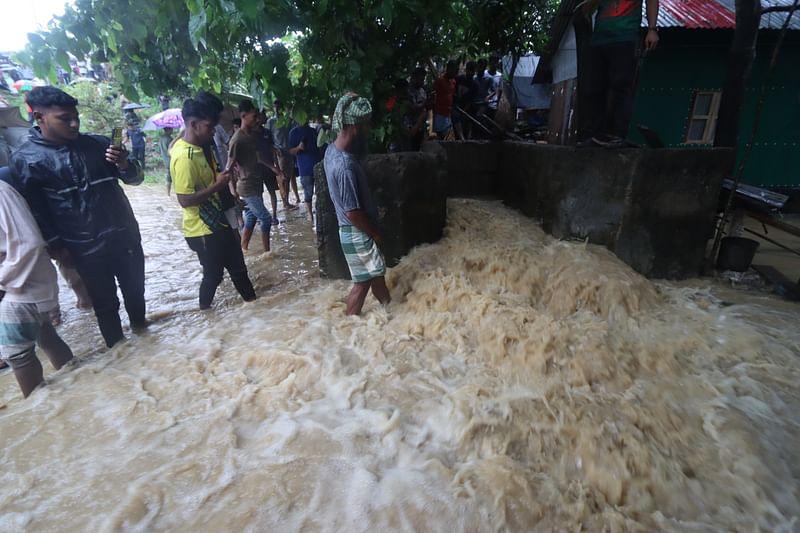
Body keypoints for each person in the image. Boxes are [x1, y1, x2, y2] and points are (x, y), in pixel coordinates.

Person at [9, 86, 146, 348]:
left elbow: (136, 179)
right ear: (40, 117)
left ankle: (144, 339)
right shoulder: (26, 160)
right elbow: (35, 213)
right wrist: (57, 247)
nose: (74, 124)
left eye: (76, 117)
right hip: (83, 247)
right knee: (105, 305)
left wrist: (125, 164)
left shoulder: (100, 144)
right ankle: (121, 354)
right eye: (64, 118)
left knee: (136, 293)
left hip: (124, 235)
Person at [170, 93, 256, 310]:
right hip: (202, 229)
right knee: (213, 276)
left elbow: (216, 182)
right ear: (193, 124)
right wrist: (218, 185)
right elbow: (184, 200)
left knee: (239, 270)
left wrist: (234, 220)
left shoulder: (203, 146)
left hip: (220, 222)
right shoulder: (184, 157)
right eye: (210, 126)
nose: (214, 131)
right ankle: (205, 314)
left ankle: (256, 308)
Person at [0, 168, 74, 398]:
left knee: (17, 355)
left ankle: (38, 408)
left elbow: (30, 242)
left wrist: (1, 279)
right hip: (23, 283)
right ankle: (78, 388)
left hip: (19, 286)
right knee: (47, 338)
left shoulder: (1, 193)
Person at [323, 94, 390, 316]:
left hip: (350, 232)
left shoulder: (331, 151)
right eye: (366, 125)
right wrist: (375, 234)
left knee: (374, 275)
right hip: (357, 231)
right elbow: (353, 212)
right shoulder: (345, 166)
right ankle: (355, 321)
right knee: (362, 284)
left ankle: (388, 311)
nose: (369, 130)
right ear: (354, 127)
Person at [582, 0, 660, 147]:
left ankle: (616, 135)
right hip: (599, 38)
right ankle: (595, 135)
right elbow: (585, 10)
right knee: (594, 88)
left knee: (621, 86)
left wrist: (652, 29)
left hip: (625, 36)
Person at [228, 99, 280, 252]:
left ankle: (243, 249)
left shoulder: (253, 135)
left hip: (256, 183)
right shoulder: (237, 140)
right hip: (246, 187)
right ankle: (267, 253)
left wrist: (274, 168)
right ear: (243, 116)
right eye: (254, 117)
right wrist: (232, 190)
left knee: (251, 217)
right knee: (266, 218)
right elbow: (228, 167)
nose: (258, 120)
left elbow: (258, 157)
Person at [288, 119, 323, 221]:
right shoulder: (293, 132)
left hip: (317, 166)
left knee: (320, 192)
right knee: (308, 193)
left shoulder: (313, 131)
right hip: (305, 168)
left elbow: (319, 147)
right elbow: (290, 151)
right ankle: (309, 214)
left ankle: (318, 213)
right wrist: (298, 147)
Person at [267, 100, 298, 209]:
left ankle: (287, 201)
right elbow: (269, 138)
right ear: (273, 108)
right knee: (282, 177)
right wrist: (274, 150)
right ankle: (284, 201)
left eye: (279, 107)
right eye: (275, 107)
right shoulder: (270, 122)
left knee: (288, 177)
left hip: (288, 151)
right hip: (279, 153)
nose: (277, 109)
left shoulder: (288, 120)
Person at [454, 61, 479, 140]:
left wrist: (464, 110)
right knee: (456, 116)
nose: (471, 73)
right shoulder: (459, 79)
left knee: (472, 113)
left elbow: (471, 101)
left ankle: (469, 135)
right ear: (466, 70)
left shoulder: (475, 85)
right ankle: (461, 137)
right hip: (456, 105)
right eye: (469, 70)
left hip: (467, 107)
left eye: (473, 71)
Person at [433, 60, 458, 139]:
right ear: (449, 69)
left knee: (448, 138)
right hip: (439, 113)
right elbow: (434, 95)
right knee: (439, 136)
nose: (456, 73)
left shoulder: (453, 82)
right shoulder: (440, 80)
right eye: (454, 70)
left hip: (448, 114)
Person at [159, 127, 174, 195]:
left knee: (168, 175)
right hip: (171, 159)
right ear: (168, 129)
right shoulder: (169, 139)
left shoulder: (161, 138)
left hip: (165, 159)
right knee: (171, 176)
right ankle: (170, 192)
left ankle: (168, 192)